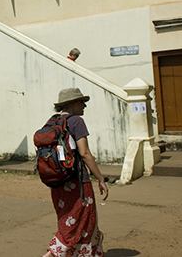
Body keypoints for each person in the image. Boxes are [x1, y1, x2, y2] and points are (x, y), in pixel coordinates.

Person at [43, 87, 108, 257]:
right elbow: (85, 153)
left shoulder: (52, 121)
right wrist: (100, 178)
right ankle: (52, 254)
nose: (84, 106)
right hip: (78, 182)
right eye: (81, 102)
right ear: (72, 103)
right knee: (81, 221)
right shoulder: (76, 122)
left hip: (58, 182)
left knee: (70, 220)